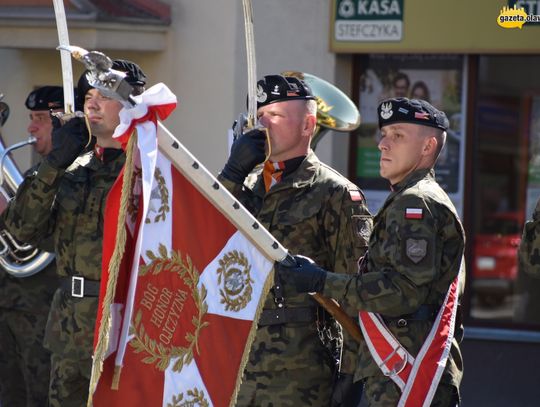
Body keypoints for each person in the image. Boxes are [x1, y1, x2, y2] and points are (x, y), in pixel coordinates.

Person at [278, 97, 465, 406]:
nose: (382, 144)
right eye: (384, 133)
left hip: (408, 371)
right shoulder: (413, 198)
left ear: (428, 146)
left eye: (398, 135)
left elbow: (401, 292)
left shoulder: (416, 204)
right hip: (401, 365)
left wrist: (321, 281)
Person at [218, 74, 373, 406]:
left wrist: (350, 378)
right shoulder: (243, 182)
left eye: (275, 116)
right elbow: (208, 242)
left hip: (301, 372)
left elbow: (356, 293)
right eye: (259, 116)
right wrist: (231, 174)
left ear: (307, 126)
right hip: (237, 360)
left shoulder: (336, 193)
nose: (263, 124)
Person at [1, 60, 146, 407]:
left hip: (123, 332)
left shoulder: (148, 171)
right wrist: (53, 164)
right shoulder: (72, 169)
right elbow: (21, 229)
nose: (92, 105)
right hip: (68, 332)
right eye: (88, 97)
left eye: (105, 96)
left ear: (131, 106)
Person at [0, 86, 62, 406]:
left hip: (43, 311)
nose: (30, 127)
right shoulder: (34, 173)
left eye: (41, 119)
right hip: (10, 305)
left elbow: (30, 234)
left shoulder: (72, 174)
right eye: (30, 118)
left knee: (39, 397)